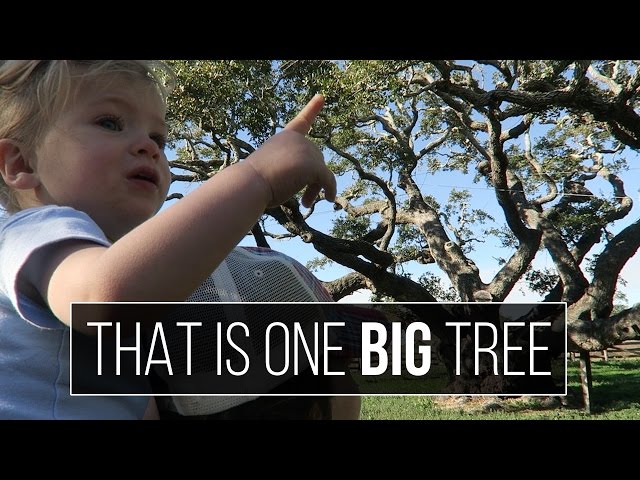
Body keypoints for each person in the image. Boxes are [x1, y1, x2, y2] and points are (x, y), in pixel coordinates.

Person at [0, 60, 343, 419]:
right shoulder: (32, 229)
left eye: (158, 138)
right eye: (109, 122)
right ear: (22, 163)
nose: (148, 146)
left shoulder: (101, 269)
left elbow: (135, 401)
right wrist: (257, 177)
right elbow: (104, 296)